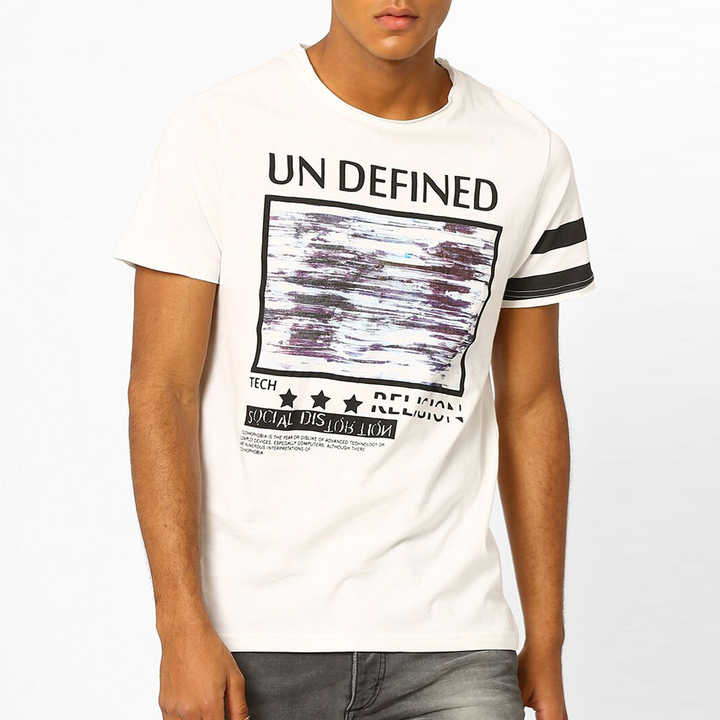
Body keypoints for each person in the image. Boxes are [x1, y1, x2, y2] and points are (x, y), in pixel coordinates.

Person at [115, 1, 596, 718]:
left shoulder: (528, 154)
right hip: (253, 639)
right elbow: (162, 389)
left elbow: (531, 405)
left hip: (453, 644)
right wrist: (178, 624)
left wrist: (547, 640)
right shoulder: (219, 128)